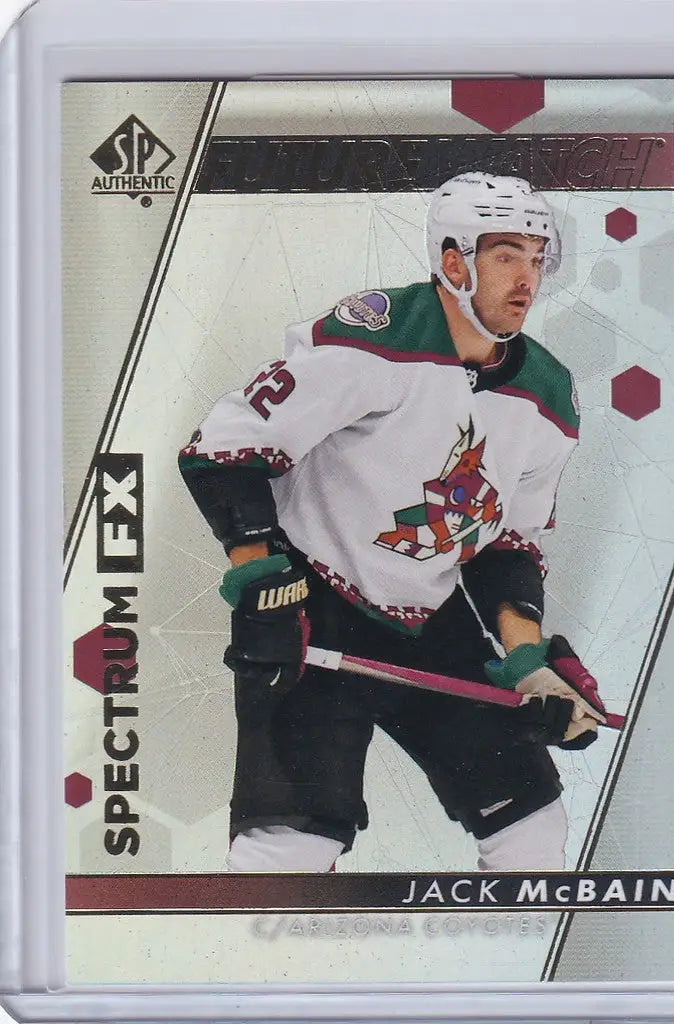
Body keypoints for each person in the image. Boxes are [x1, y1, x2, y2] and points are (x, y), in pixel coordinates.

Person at [178, 171, 607, 873]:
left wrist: (530, 665)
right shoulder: (378, 334)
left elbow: (506, 547)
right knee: (292, 846)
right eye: (506, 255)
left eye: (537, 258)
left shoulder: (548, 393)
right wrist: (257, 569)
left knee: (531, 826)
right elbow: (224, 449)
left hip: (430, 615)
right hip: (313, 600)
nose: (526, 278)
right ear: (453, 262)